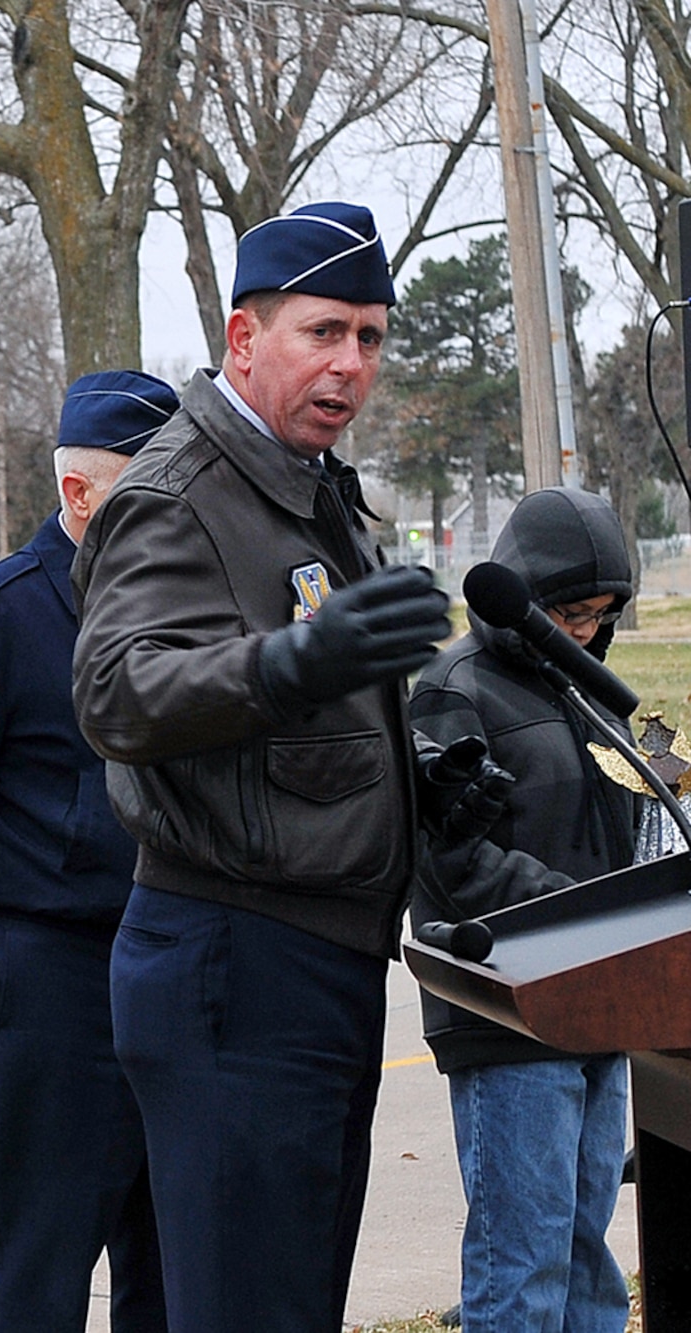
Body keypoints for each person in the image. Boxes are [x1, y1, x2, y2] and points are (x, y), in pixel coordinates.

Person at [68, 202, 486, 1330]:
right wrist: (292, 660)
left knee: (284, 1305)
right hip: (231, 965)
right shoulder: (178, 492)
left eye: (370, 337)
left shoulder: (309, 485)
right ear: (242, 338)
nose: (349, 364)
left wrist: (418, 772)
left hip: (312, 960)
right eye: (321, 332)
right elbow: (116, 693)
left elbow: (315, 711)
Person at [0, 370, 179, 1332]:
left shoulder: (186, 605)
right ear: (78, 494)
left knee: (170, 1259)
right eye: (150, 485)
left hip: (176, 959)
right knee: (40, 1256)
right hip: (58, 974)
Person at [411, 487, 636, 1333]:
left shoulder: (581, 693)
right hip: (509, 1016)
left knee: (588, 1257)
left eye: (600, 614)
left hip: (602, 999)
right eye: (569, 611)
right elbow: (450, 860)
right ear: (524, 593)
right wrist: (584, 907)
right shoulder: (454, 690)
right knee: (525, 1261)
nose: (582, 631)